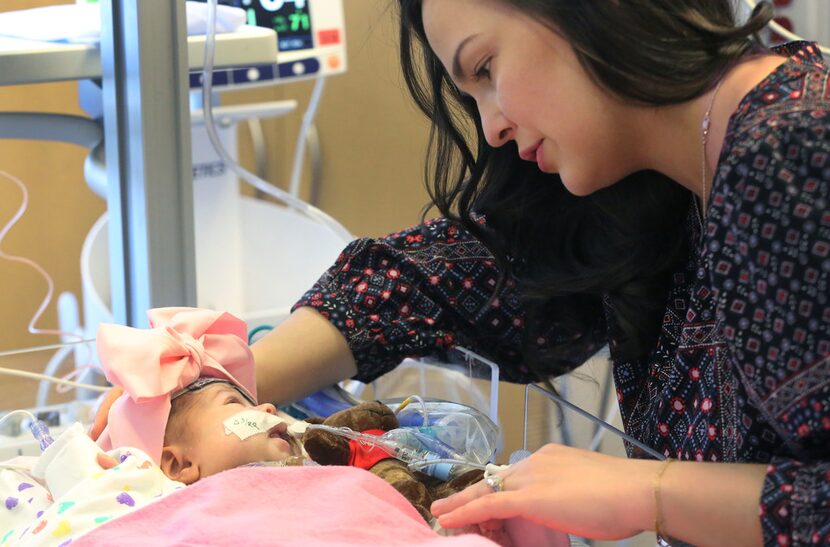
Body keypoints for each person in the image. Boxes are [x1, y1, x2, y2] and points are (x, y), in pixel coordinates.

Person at [249, 1, 830, 545]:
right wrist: (222, 382)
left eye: (485, 67)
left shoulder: (795, 148)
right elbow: (445, 281)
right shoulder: (662, 177)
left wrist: (653, 493)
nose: (490, 127)